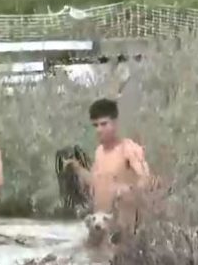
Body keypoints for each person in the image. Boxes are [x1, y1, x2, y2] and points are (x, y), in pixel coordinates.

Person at [64, 98, 151, 237]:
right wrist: (77, 168)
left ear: (115, 123)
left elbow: (146, 179)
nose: (99, 130)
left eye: (104, 124)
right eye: (95, 125)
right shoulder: (99, 152)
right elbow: (96, 183)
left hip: (124, 231)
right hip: (100, 228)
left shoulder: (129, 149)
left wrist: (128, 189)